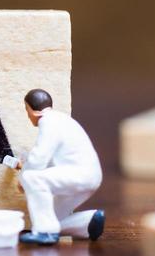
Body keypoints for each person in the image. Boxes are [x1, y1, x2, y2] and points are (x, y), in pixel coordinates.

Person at [12, 88, 104, 246]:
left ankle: (45, 232)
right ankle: (88, 222)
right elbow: (51, 158)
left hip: (79, 175)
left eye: (26, 110)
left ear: (32, 110)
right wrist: (26, 163)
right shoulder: (61, 119)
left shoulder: (48, 122)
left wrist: (23, 178)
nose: (28, 115)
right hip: (87, 175)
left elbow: (39, 159)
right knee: (52, 217)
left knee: (31, 178)